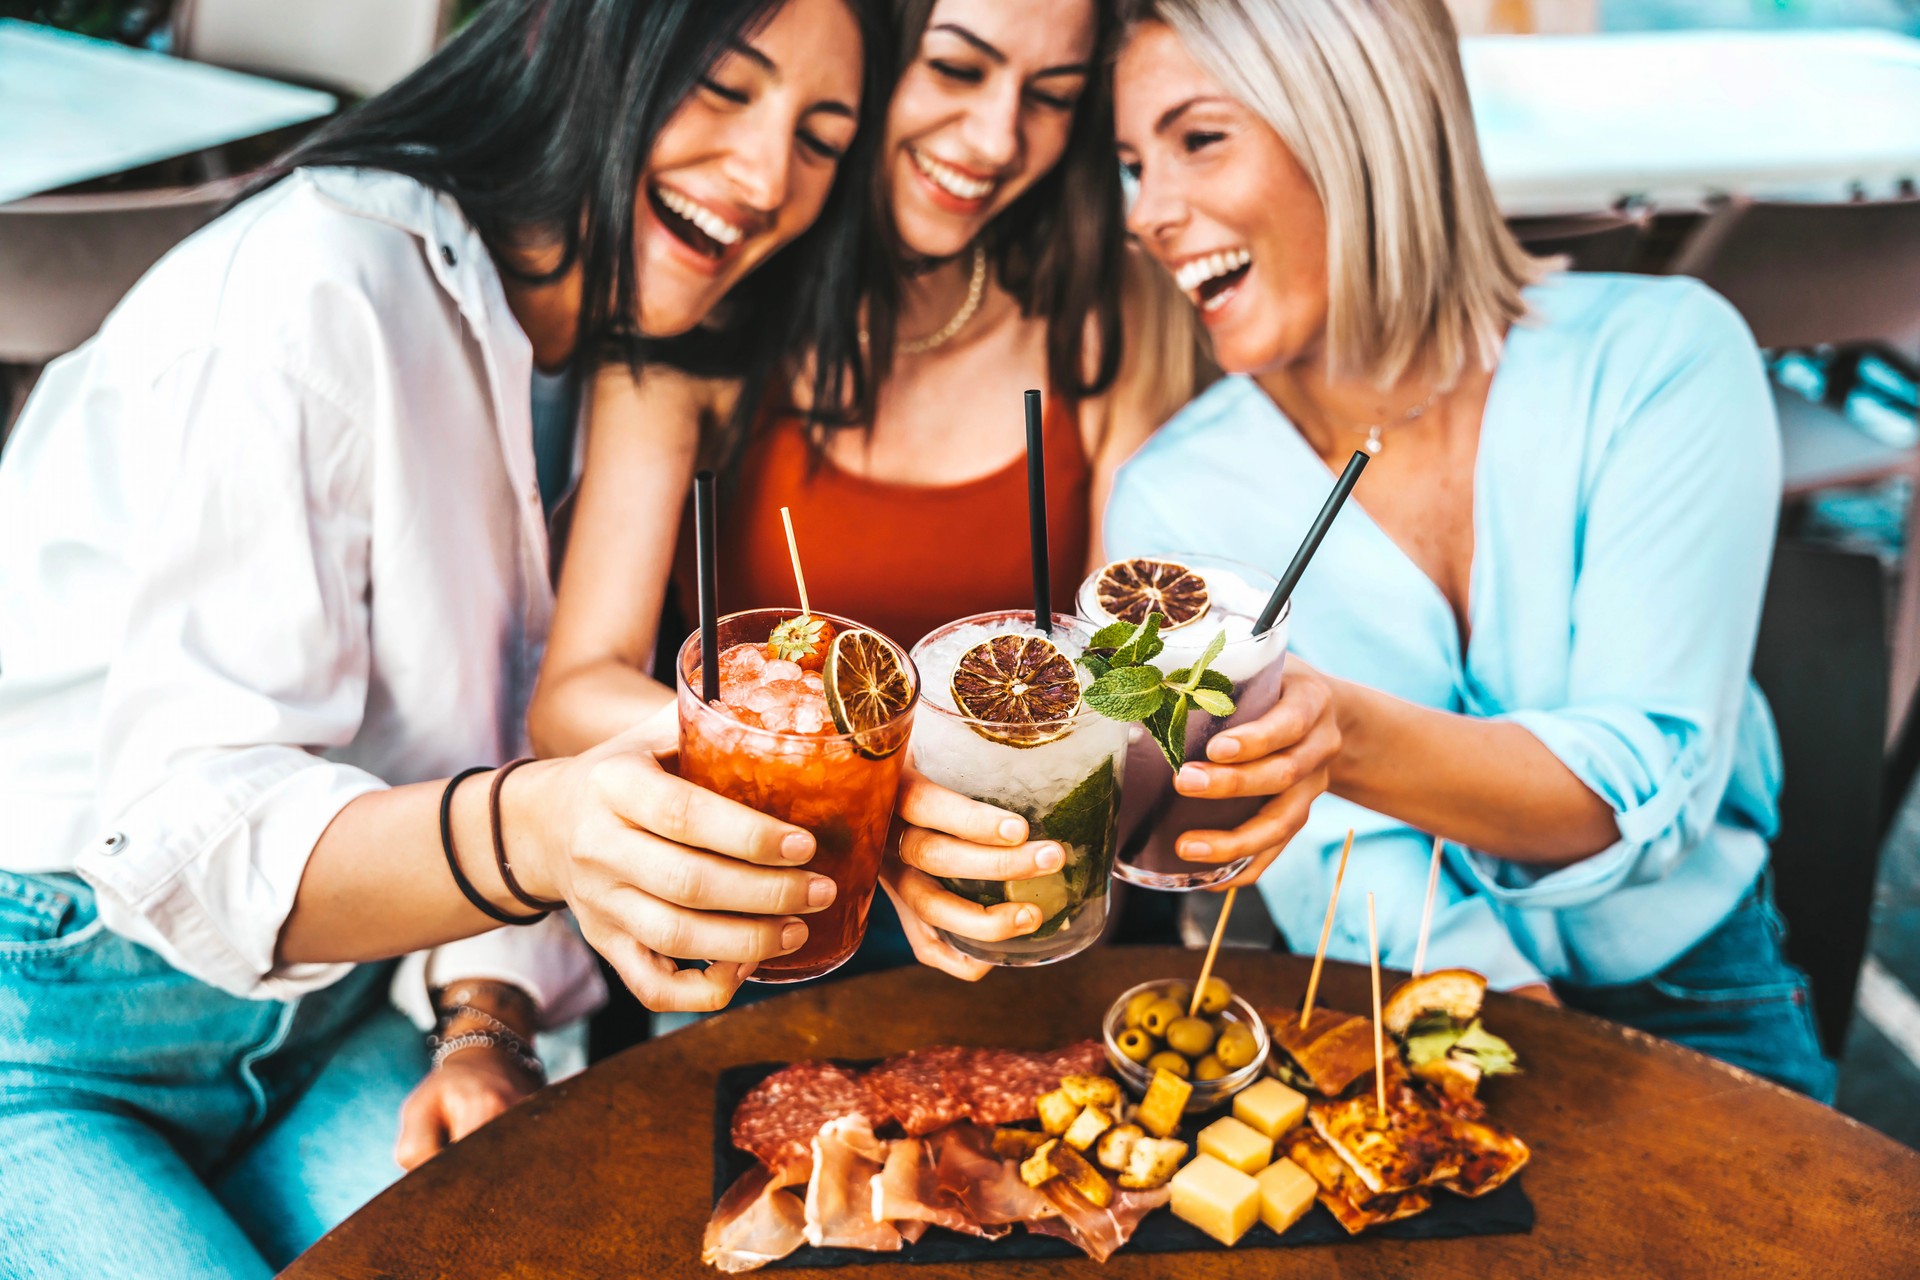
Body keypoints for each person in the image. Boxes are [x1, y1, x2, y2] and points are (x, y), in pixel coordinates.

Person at [0, 0, 888, 1273]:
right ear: (568, 41)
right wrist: (543, 832)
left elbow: (468, 716)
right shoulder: (321, 282)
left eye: (821, 137)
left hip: (339, 1014)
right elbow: (194, 838)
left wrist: (485, 1020)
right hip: (46, 1020)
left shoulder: (611, 350)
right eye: (723, 89)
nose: (766, 179)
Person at [527, 0, 1341, 991]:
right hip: (780, 906)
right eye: (956, 70)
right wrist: (874, 785)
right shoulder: (703, 309)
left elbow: (1127, 667)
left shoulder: (1108, 311)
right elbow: (575, 690)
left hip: (1040, 904)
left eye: (1051, 98)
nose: (999, 142)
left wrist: (1233, 728)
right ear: (857, 61)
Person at [1106, 0, 1834, 1099]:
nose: (1149, 212)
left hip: (1700, 981)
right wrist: (1499, 1023)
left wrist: (1336, 731)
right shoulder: (1171, 496)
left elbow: (1649, 782)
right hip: (1402, 987)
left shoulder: (1660, 355)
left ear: (1361, 121)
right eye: (1130, 164)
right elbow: (1330, 864)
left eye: (1199, 139)